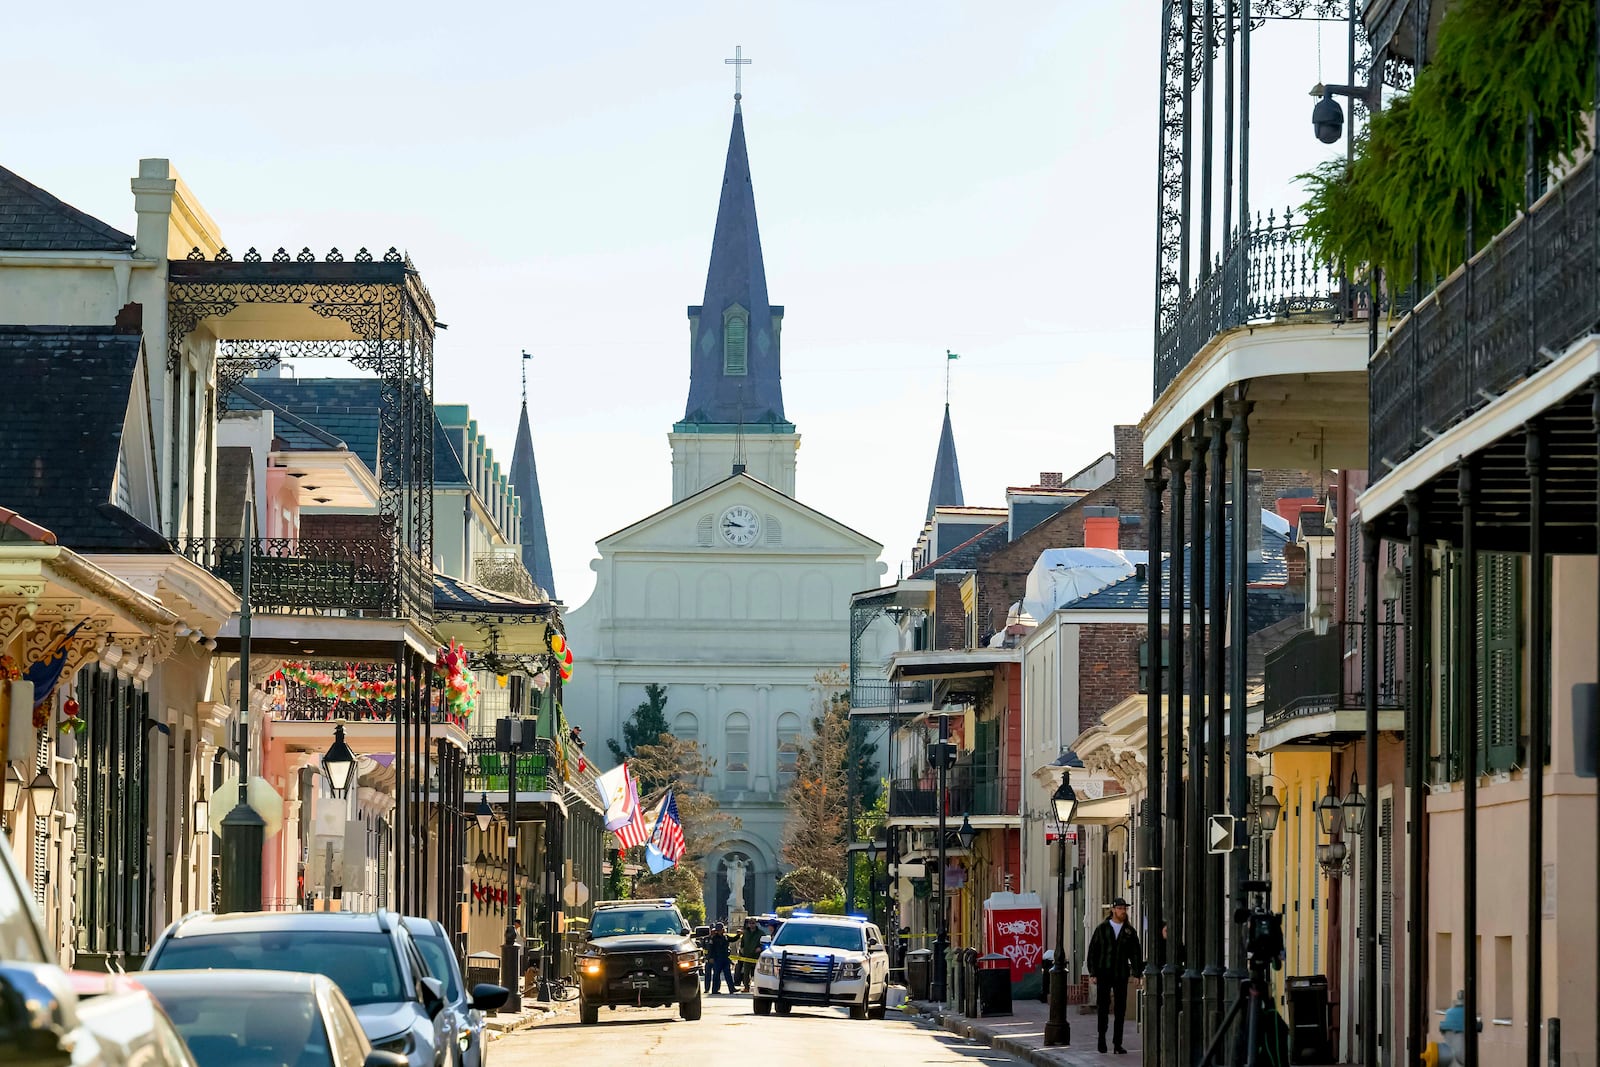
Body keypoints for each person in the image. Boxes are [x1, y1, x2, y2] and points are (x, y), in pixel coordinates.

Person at [1087, 897, 1144, 1055]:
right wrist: (1093, 972)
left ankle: (1117, 1043)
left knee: (1120, 1009)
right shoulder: (1102, 928)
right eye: (1120, 908)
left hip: (1120, 973)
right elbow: (1093, 950)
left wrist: (1137, 973)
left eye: (1124, 909)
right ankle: (1101, 1039)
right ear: (1113, 910)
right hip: (1104, 972)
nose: (1122, 911)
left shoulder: (1129, 931)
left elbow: (1135, 953)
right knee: (1103, 1007)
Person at [706, 921, 735, 995]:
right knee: (716, 975)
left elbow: (733, 939)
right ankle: (715, 990)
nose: (718, 931)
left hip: (725, 958)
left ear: (723, 930)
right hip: (717, 959)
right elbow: (710, 949)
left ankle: (732, 989)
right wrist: (710, 958)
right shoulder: (713, 938)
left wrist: (738, 935)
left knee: (728, 974)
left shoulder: (725, 937)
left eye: (720, 930)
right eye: (717, 930)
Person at [736, 918, 762, 992]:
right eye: (750, 923)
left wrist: (760, 948)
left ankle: (759, 988)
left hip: (757, 957)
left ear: (756, 924)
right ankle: (746, 987)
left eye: (753, 923)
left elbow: (765, 943)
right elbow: (742, 943)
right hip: (747, 956)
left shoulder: (760, 933)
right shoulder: (746, 933)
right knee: (746, 973)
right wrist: (742, 949)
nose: (751, 925)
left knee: (758, 973)